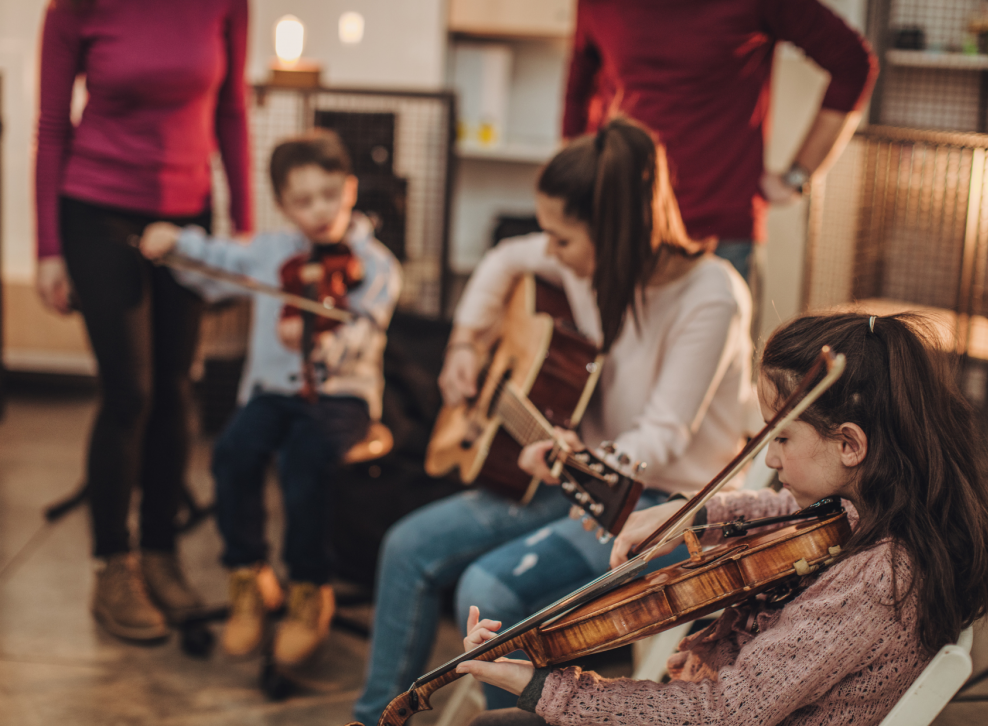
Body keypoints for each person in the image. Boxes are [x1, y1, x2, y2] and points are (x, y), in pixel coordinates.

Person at [353, 116, 755, 723]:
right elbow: (504, 258)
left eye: (563, 239)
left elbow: (664, 435)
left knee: (489, 592)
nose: (552, 252)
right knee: (406, 546)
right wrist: (464, 346)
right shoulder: (590, 267)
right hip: (581, 482)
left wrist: (584, 459)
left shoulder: (712, 294)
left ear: (616, 233)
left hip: (669, 508)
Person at [458, 311, 988, 726]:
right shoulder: (877, 515)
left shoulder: (877, 582)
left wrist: (547, 690)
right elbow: (786, 515)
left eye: (783, 437)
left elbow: (722, 712)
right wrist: (692, 512)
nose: (768, 459)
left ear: (849, 445)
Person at [138, 130, 401, 665]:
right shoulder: (273, 252)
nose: (319, 211)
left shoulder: (374, 264)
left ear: (350, 188)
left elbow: (367, 330)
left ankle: (309, 586)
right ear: (282, 205)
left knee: (305, 460)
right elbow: (217, 262)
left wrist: (325, 343)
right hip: (272, 390)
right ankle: (250, 573)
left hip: (340, 396)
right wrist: (175, 243)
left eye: (329, 195)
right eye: (302, 202)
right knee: (233, 452)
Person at [33, 0, 252, 640]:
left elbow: (232, 110)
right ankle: (112, 566)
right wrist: (48, 248)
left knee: (177, 388)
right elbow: (51, 127)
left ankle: (161, 554)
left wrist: (242, 226)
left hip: (188, 217)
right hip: (97, 212)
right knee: (130, 392)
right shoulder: (74, 7)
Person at [562, 0, 878, 290]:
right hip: (619, 223)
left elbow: (852, 63)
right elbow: (578, 91)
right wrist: (577, 190)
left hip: (719, 236)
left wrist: (797, 175)